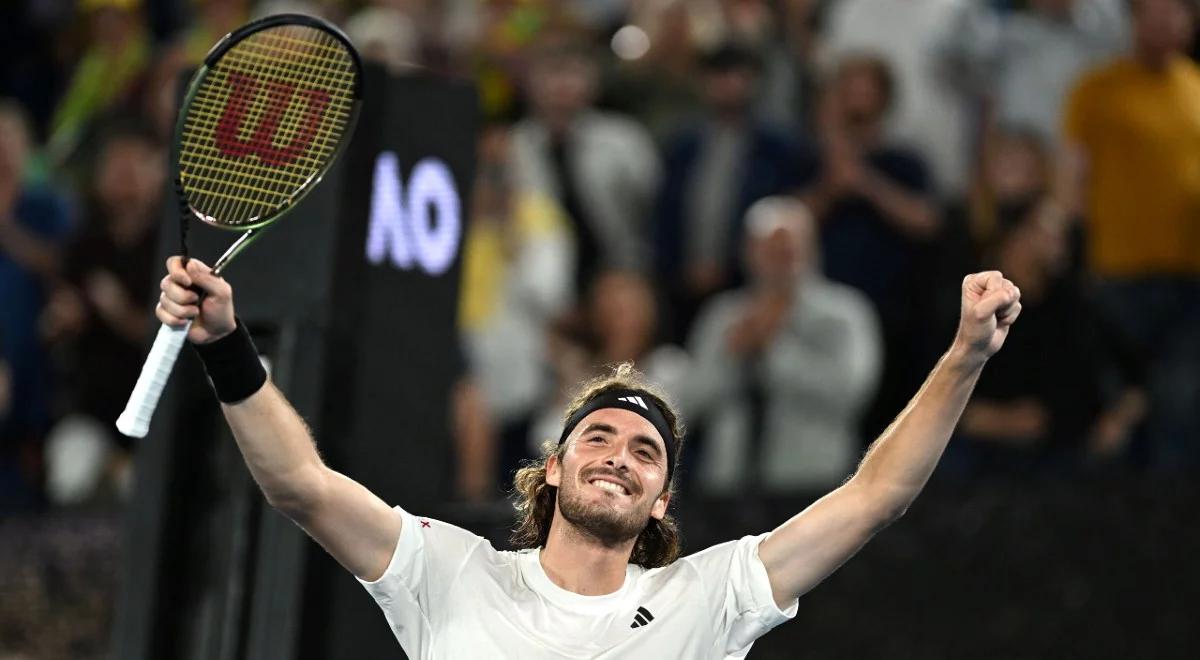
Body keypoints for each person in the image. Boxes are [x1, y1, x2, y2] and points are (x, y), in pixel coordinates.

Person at [152, 253, 1021, 656]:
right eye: (596, 437)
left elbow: (876, 496)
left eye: (646, 451)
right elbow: (300, 486)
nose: (618, 455)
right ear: (555, 468)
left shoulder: (709, 597)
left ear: (662, 500)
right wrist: (227, 344)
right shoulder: (450, 572)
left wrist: (965, 357)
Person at [1059, 0, 1200, 470]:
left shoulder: (1196, 87)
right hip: (1118, 276)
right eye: (1151, 12)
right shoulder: (1097, 89)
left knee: (1180, 405)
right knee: (1117, 407)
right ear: (1133, 21)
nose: (1163, 22)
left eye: (1174, 12)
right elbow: (1072, 176)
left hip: (1189, 278)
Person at [686, 197, 882, 495]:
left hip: (813, 480)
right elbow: (696, 399)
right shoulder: (723, 316)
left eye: (787, 251)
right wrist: (732, 356)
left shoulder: (844, 315)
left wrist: (775, 349)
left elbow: (852, 394)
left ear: (810, 250)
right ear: (748, 252)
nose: (778, 261)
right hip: (728, 482)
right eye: (768, 250)